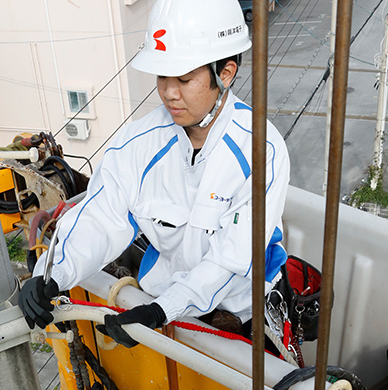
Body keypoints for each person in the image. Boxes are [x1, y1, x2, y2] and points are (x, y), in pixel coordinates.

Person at [19, 0, 290, 347]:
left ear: (225, 73)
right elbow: (100, 219)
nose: (168, 92)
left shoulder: (260, 152)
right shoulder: (137, 145)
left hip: (243, 310)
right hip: (163, 300)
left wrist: (162, 311)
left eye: (184, 78)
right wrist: (50, 276)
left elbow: (231, 259)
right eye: (163, 76)